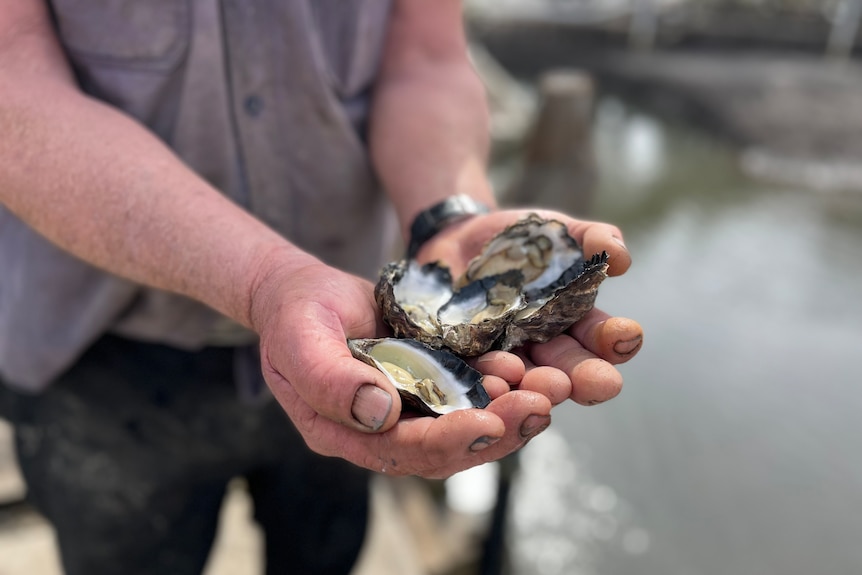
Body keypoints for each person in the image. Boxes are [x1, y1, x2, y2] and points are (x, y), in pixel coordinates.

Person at [0, 1, 644, 573]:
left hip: (354, 333)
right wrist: (262, 280)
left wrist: (448, 217)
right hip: (100, 353)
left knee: (324, 552)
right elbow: (13, 83)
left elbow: (424, 56)